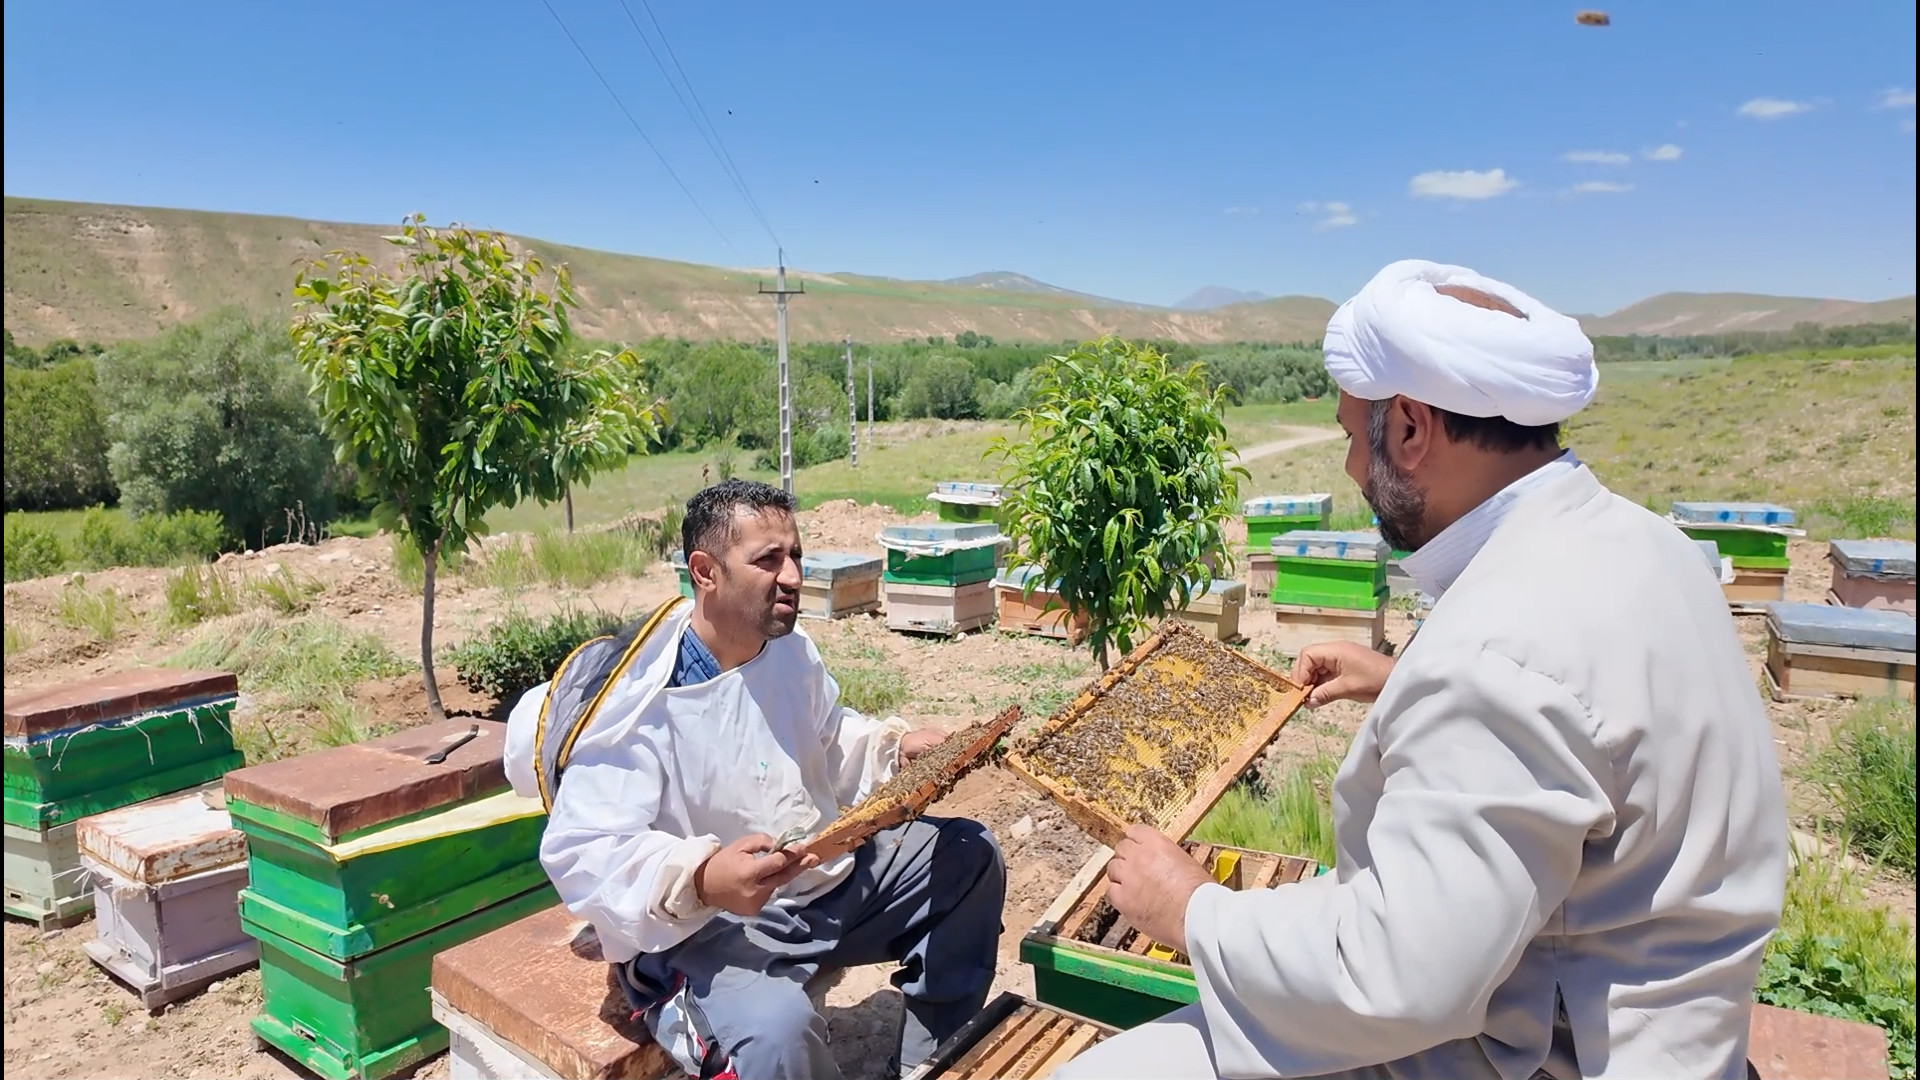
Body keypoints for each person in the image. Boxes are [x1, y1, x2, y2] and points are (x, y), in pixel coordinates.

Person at [1063, 261, 1787, 1080]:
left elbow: (1392, 982)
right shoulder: (1649, 546)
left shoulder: (1497, 656)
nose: (1347, 468)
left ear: (1410, 428)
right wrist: (1402, 677)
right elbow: (1582, 720)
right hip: (1655, 1014)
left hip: (1541, 1051)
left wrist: (1192, 910)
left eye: (1348, 435)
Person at [503, 479, 1005, 1080]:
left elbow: (823, 734)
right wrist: (701, 877)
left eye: (795, 554)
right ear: (705, 572)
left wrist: (894, 749)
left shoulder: (789, 649)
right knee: (776, 1034)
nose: (792, 574)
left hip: (821, 881)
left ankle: (931, 1064)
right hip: (702, 929)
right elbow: (583, 850)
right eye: (768, 559)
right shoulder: (634, 706)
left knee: (968, 856)